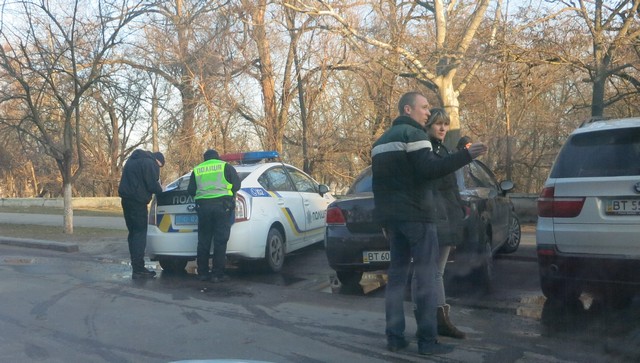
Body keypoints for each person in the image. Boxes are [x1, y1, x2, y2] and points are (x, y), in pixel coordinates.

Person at [371, 92, 487, 355]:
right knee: (425, 278)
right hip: (418, 217)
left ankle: (394, 337)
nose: (427, 112)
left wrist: (384, 220)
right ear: (408, 109)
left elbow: (380, 186)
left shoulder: (380, 143)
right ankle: (427, 341)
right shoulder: (416, 136)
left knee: (397, 278)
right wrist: (466, 155)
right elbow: (430, 170)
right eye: (423, 108)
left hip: (394, 220)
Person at [424, 108, 468, 339]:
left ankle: (438, 320)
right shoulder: (429, 150)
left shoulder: (441, 149)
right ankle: (438, 321)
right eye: (437, 123)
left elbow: (451, 188)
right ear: (428, 125)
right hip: (438, 217)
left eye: (445, 124)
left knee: (436, 271)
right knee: (435, 272)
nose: (442, 128)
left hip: (447, 216)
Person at [188, 149, 241, 283]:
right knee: (220, 241)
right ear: (217, 157)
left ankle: (202, 273)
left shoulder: (198, 169)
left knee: (203, 240)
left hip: (203, 208)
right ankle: (217, 274)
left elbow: (191, 190)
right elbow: (237, 185)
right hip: (222, 207)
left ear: (204, 158)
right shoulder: (225, 167)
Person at [118, 149, 165, 279]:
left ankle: (136, 266)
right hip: (138, 202)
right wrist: (161, 189)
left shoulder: (132, 160)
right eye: (159, 167)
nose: (158, 169)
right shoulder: (150, 163)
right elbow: (152, 185)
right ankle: (139, 269)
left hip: (126, 200)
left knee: (133, 233)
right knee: (139, 233)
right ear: (158, 161)